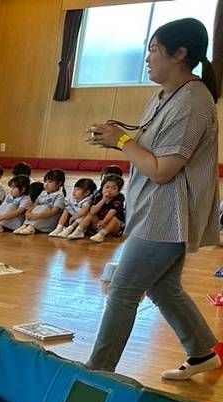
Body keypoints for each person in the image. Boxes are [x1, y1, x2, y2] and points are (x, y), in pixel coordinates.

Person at [86, 17, 220, 379]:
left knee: (123, 291)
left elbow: (162, 170)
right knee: (163, 288)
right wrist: (115, 137)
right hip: (153, 210)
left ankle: (98, 373)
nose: (147, 58)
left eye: (154, 50)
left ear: (180, 54)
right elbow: (146, 152)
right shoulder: (164, 96)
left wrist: (121, 141)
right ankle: (201, 352)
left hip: (168, 214)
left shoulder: (193, 101)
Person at [14, 169, 66, 235]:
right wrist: (28, 213)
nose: (46, 184)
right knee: (37, 207)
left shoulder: (59, 196)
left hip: (49, 220)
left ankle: (31, 228)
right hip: (38, 217)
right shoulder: (43, 193)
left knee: (44, 207)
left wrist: (37, 216)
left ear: (59, 183)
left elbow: (53, 211)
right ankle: (25, 225)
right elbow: (34, 205)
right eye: (45, 182)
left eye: (50, 182)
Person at [84, 174, 127, 243]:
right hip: (99, 224)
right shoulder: (98, 196)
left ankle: (101, 234)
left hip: (112, 225)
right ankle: (78, 230)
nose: (109, 190)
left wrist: (104, 222)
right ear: (102, 188)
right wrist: (103, 200)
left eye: (114, 188)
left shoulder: (119, 198)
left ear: (118, 191)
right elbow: (92, 211)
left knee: (114, 219)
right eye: (107, 187)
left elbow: (112, 212)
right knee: (90, 215)